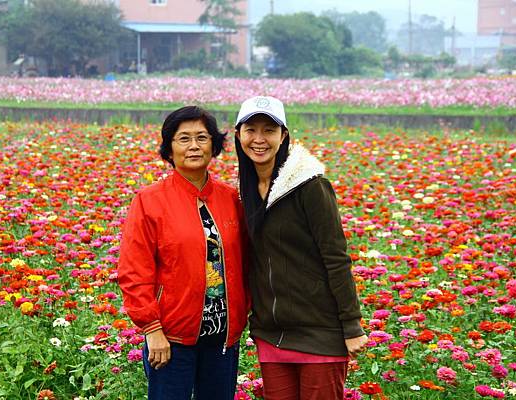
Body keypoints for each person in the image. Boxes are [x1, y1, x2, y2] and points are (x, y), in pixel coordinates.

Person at [234, 96, 368, 400]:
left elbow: (336, 257)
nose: (259, 139)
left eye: (269, 130)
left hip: (319, 332)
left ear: (283, 136)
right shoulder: (245, 190)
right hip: (271, 333)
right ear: (238, 134)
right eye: (250, 129)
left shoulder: (310, 186)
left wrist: (351, 324)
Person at [118, 106, 249, 400]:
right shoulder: (150, 201)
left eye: (202, 138)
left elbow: (248, 261)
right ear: (169, 148)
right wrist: (152, 329)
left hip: (222, 336)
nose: (194, 146)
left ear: (214, 146)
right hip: (171, 338)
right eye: (183, 138)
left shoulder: (231, 199)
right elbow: (134, 271)